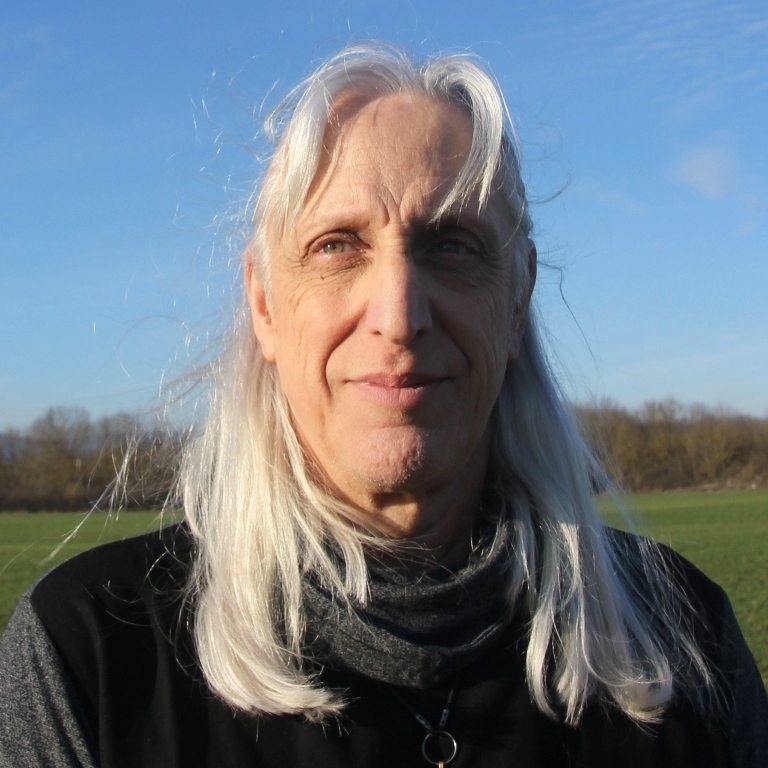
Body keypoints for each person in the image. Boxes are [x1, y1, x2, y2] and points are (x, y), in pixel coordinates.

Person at [1, 42, 766, 768]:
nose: (399, 316)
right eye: (337, 245)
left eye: (453, 244)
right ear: (264, 303)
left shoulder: (686, 646)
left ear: (518, 299)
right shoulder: (88, 658)